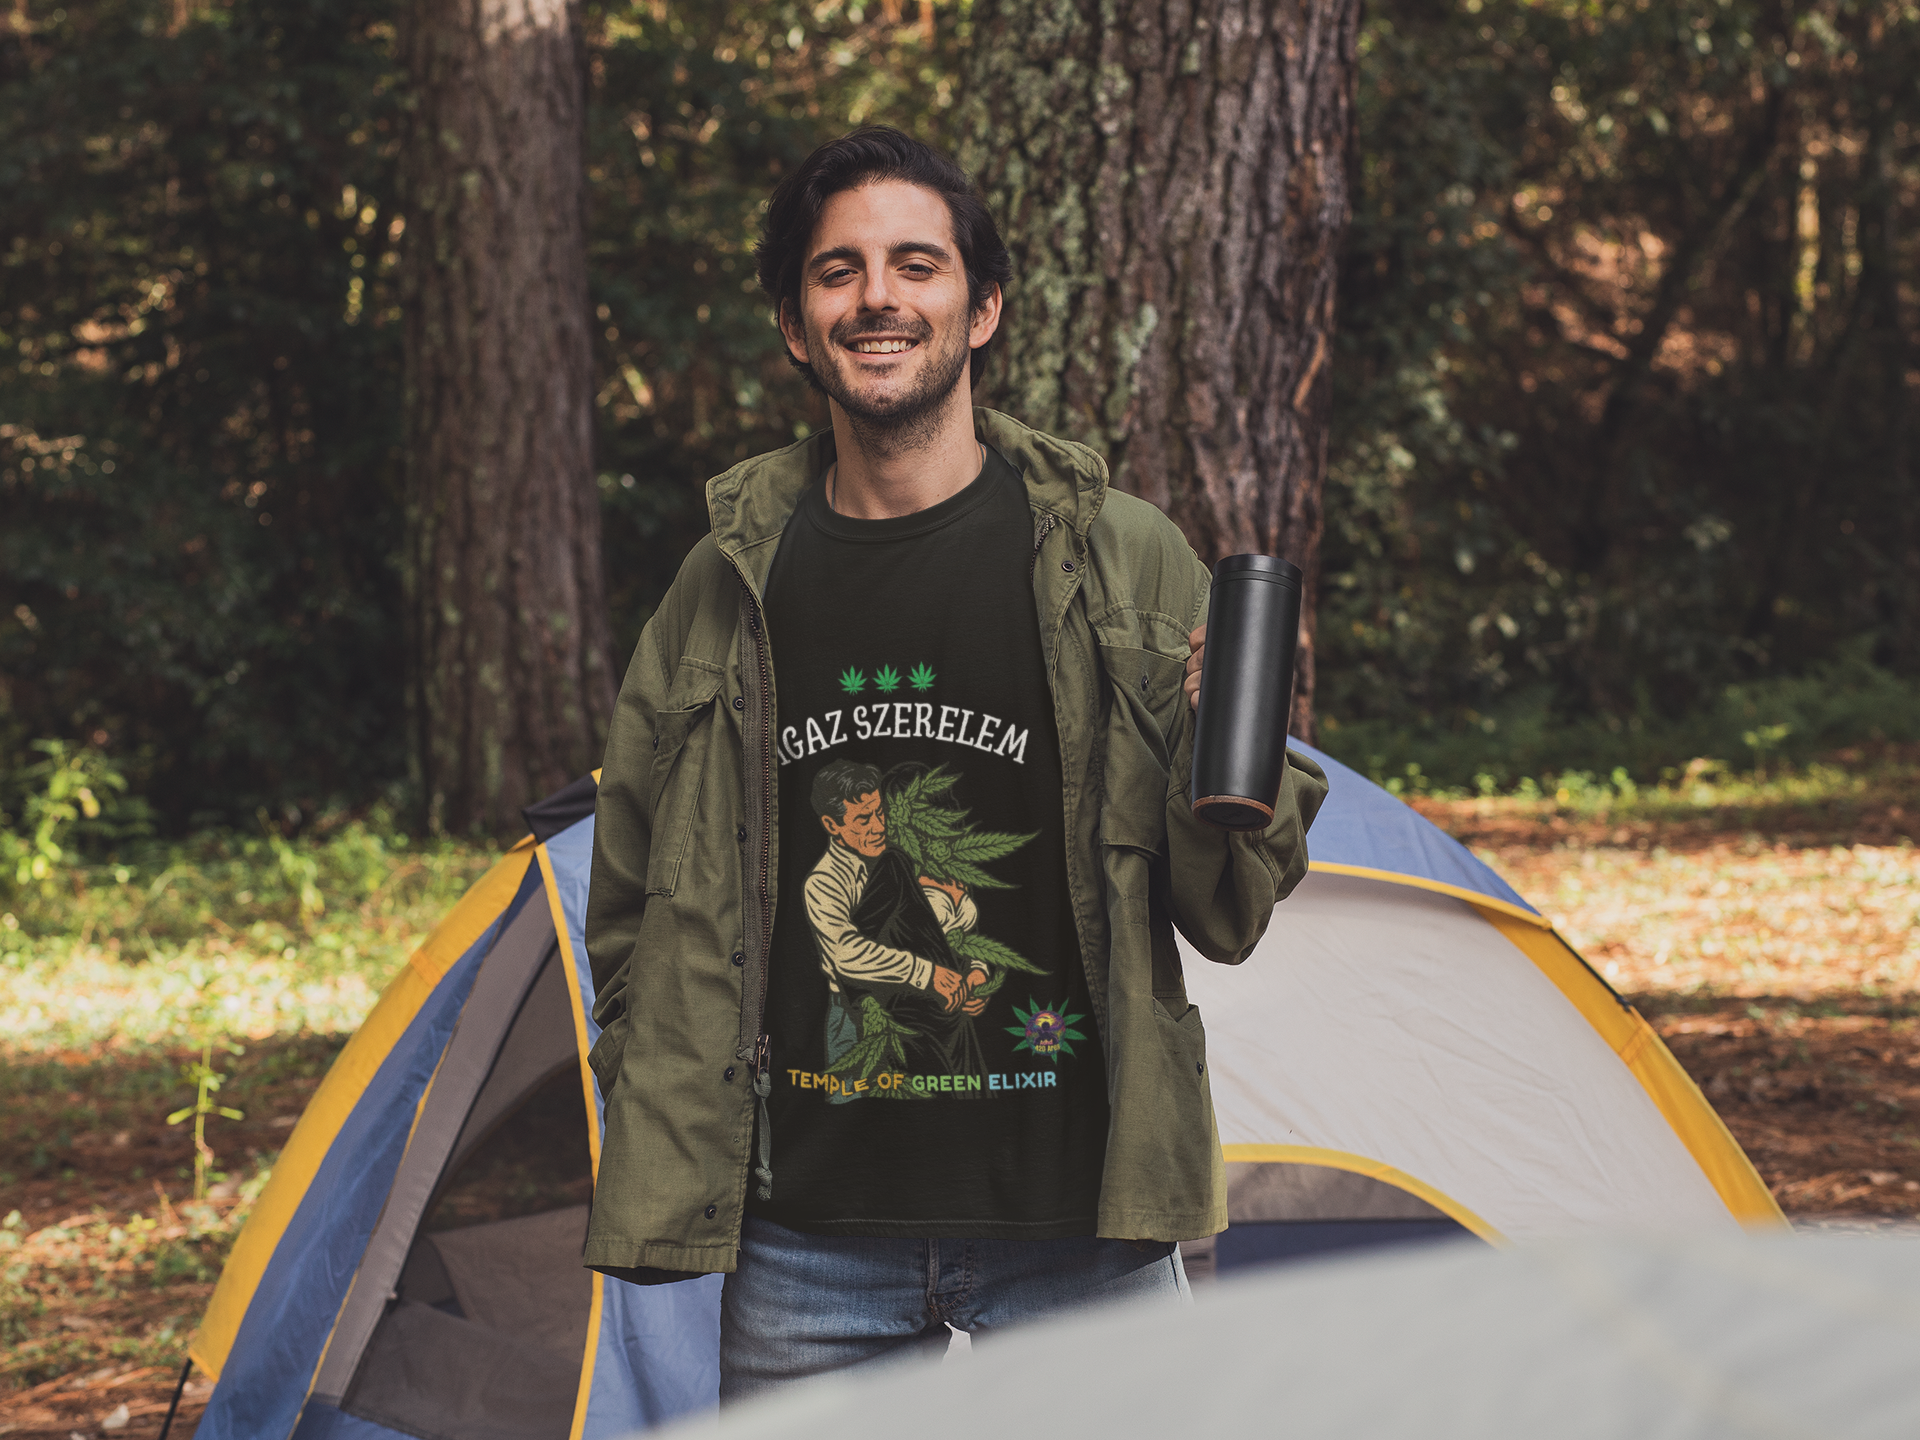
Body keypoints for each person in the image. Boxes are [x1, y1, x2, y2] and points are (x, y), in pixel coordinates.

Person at [582, 125, 1327, 1402]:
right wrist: (665, 1095)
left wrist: (1228, 757)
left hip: (1084, 1233)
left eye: (915, 264)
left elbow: (1232, 907)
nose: (878, 296)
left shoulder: (1125, 561)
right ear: (795, 325)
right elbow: (634, 894)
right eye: (839, 271)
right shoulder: (722, 585)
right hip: (809, 1240)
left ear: (980, 310)